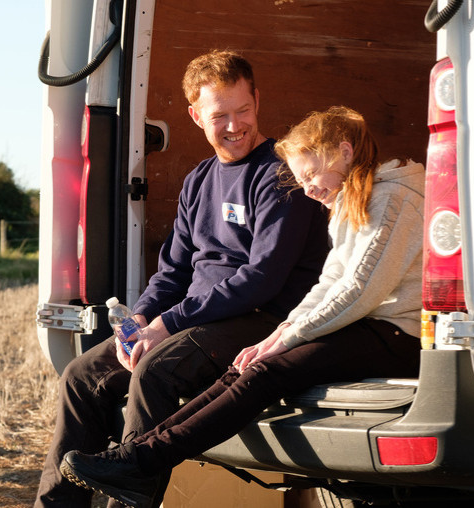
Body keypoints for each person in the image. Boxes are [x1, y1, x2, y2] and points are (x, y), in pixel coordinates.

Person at [58, 106, 426, 508]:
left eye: (310, 176)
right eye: (301, 180)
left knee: (266, 372)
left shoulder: (392, 198)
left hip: (396, 333)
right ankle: (138, 458)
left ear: (344, 152)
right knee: (245, 367)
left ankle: (140, 461)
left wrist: (288, 337)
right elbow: (329, 282)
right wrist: (282, 333)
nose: (307, 190)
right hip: (363, 325)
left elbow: (357, 291)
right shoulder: (351, 200)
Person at [34, 50, 330, 508]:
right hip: (200, 319)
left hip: (262, 317)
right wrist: (139, 321)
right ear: (195, 116)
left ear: (257, 100)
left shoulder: (281, 173)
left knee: (157, 370)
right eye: (219, 116)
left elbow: (262, 278)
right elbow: (173, 271)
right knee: (80, 376)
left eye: (243, 110)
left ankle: (131, 491)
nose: (234, 125)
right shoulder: (198, 180)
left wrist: (167, 325)